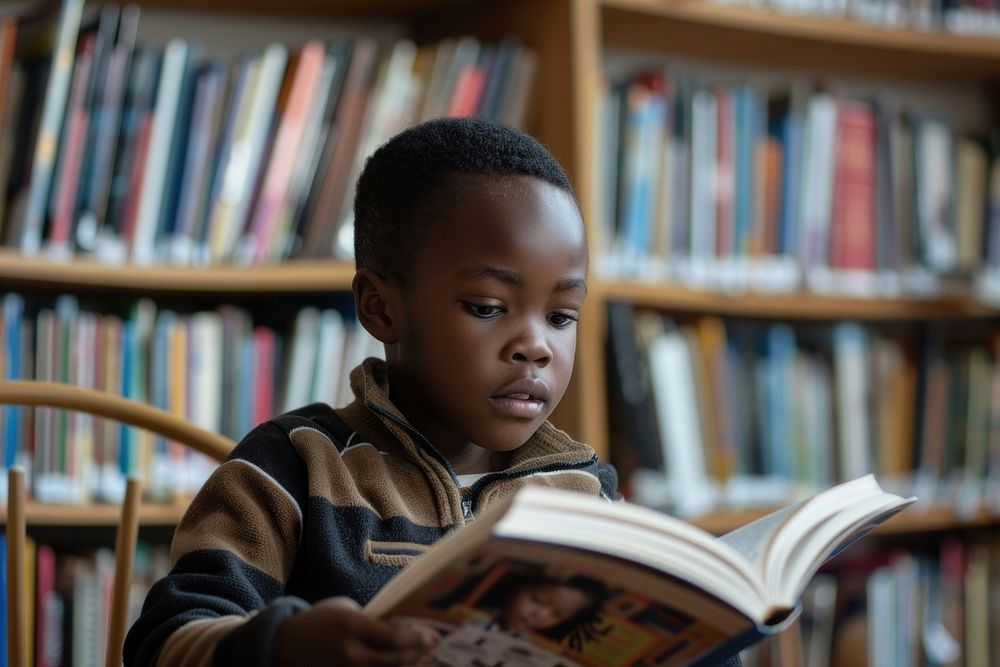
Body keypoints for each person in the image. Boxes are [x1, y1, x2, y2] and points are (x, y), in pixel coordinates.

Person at [123, 116, 619, 667]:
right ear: (380, 307)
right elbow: (163, 644)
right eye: (487, 307)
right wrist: (282, 648)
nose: (537, 346)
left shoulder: (584, 491)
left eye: (561, 316)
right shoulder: (293, 468)